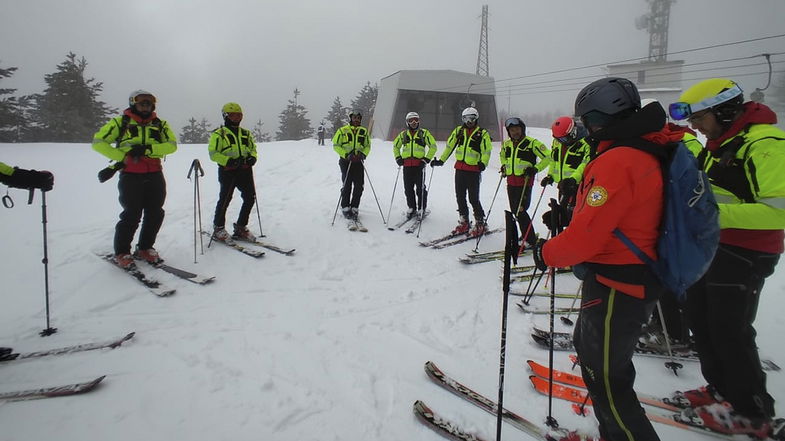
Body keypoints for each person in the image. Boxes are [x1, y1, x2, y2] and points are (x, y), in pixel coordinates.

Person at [532, 77, 686, 441]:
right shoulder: (639, 149)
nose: (585, 127)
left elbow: (585, 241)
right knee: (597, 360)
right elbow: (611, 218)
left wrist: (546, 252)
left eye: (588, 119)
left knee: (606, 378)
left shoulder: (619, 159)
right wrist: (570, 217)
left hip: (620, 281)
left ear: (604, 116)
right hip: (628, 273)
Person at [666, 78, 785, 437]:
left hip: (748, 252)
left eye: (700, 117)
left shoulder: (765, 145)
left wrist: (713, 215)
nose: (694, 127)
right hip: (714, 247)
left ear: (723, 110)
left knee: (730, 329)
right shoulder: (719, 145)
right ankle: (721, 389)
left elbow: (778, 211)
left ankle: (753, 410)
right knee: (701, 319)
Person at [92, 90, 177, 269]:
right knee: (132, 214)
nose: (145, 106)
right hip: (130, 175)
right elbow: (98, 142)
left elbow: (171, 146)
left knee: (155, 213)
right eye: (141, 103)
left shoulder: (160, 124)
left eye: (149, 103)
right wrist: (122, 157)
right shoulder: (121, 122)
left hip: (154, 173)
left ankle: (145, 248)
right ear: (133, 104)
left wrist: (147, 149)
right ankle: (122, 252)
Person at [431, 107, 492, 236]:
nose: (469, 121)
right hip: (460, 169)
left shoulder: (482, 133)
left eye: (472, 118)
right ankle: (464, 221)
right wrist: (441, 160)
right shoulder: (459, 131)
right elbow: (450, 146)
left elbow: (486, 150)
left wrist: (483, 163)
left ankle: (480, 222)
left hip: (474, 170)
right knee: (460, 196)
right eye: (466, 118)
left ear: (476, 118)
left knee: (473, 198)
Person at [208, 102, 259, 242]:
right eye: (233, 115)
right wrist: (227, 161)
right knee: (225, 199)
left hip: (244, 171)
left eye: (239, 115)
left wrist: (252, 157)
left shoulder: (245, 133)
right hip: (228, 171)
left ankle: (241, 227)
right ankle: (218, 228)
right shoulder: (219, 134)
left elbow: (252, 148)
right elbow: (213, 153)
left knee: (250, 198)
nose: (236, 118)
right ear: (226, 116)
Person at [499, 117, 548, 247]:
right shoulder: (507, 144)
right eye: (512, 130)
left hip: (525, 182)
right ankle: (526, 235)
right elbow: (503, 155)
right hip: (511, 182)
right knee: (515, 210)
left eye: (517, 129)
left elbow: (548, 157)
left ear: (522, 129)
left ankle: (530, 239)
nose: (515, 132)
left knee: (520, 210)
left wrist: (535, 169)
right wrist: (504, 166)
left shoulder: (531, 143)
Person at [540, 116, 591, 232]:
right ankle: (565, 239)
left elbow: (585, 163)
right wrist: (551, 176)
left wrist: (573, 179)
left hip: (577, 187)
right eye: (558, 139)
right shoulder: (558, 142)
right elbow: (554, 160)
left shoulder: (585, 143)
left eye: (563, 139)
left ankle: (578, 240)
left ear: (572, 133)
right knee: (563, 214)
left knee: (576, 215)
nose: (560, 142)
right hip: (563, 186)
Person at [392, 112, 437, 218]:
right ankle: (411, 207)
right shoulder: (403, 134)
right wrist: (398, 157)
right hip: (407, 165)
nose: (414, 122)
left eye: (416, 120)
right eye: (411, 120)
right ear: (407, 122)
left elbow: (433, 146)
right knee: (408, 188)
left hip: (419, 165)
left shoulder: (424, 133)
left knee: (420, 188)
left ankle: (422, 208)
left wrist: (426, 159)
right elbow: (396, 146)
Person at [333, 109, 371, 220]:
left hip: (358, 161)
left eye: (358, 118)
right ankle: (345, 206)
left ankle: (354, 206)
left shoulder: (364, 131)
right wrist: (345, 154)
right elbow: (336, 145)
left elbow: (367, 145)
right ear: (351, 118)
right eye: (354, 117)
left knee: (359, 185)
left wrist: (363, 154)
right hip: (346, 161)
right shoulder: (342, 130)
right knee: (347, 184)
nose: (356, 120)